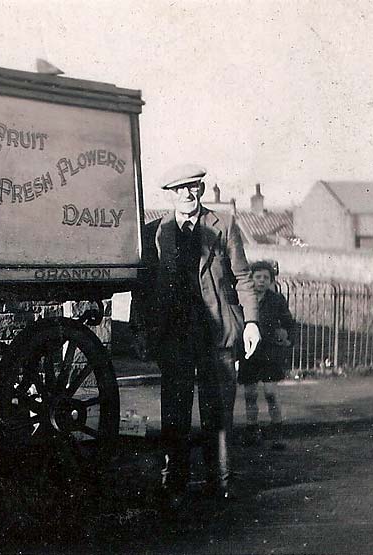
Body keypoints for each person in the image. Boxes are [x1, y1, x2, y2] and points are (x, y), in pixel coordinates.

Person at [137, 164, 261, 507]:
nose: (187, 195)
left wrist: (251, 323)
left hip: (217, 333)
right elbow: (143, 290)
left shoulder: (225, 226)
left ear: (201, 191)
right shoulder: (155, 233)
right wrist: (143, 331)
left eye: (193, 188)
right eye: (180, 190)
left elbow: (243, 278)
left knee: (217, 412)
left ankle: (219, 482)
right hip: (175, 335)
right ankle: (173, 481)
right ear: (171, 195)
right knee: (175, 410)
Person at [238, 260, 295, 449]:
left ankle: (277, 433)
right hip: (250, 352)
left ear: (271, 280)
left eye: (266, 278)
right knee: (250, 394)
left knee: (270, 393)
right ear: (251, 279)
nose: (261, 281)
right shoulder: (245, 300)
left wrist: (286, 336)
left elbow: (289, 323)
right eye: (258, 277)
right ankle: (252, 430)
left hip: (269, 352)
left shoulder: (276, 300)